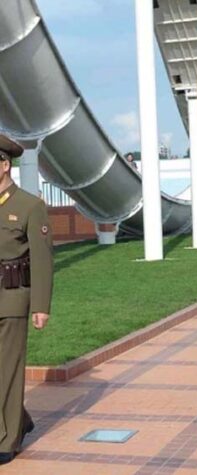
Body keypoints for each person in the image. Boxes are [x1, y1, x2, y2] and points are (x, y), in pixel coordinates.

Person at [0, 134, 54, 465]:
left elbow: (42, 260)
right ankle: (21, 419)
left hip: (11, 298)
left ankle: (7, 439)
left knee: (7, 369)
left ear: (5, 165)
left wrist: (41, 306)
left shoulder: (29, 206)